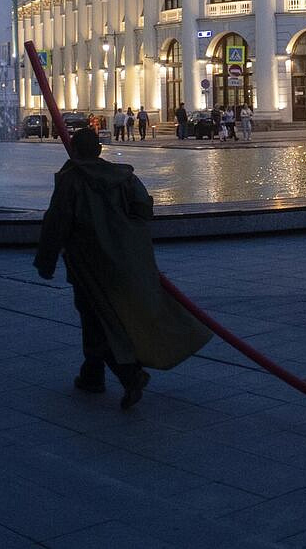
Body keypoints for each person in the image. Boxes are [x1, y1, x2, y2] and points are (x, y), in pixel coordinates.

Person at [34, 128, 211, 410]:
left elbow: (56, 222)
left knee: (95, 317)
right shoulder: (123, 177)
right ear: (100, 150)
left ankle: (129, 375)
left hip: (89, 263)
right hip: (125, 259)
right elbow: (143, 208)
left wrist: (46, 262)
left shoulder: (71, 180)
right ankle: (92, 373)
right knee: (115, 313)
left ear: (75, 151)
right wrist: (124, 230)